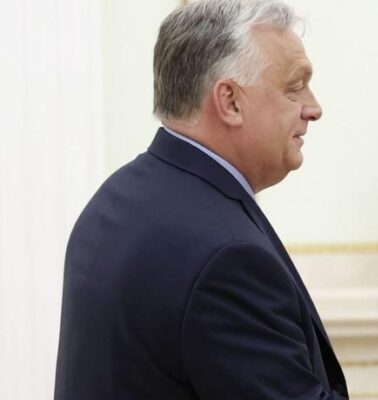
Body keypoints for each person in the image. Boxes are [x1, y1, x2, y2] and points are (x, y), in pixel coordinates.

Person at [54, 1, 348, 398]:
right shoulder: (227, 258)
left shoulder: (118, 198)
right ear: (230, 101)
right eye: (294, 87)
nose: (314, 109)